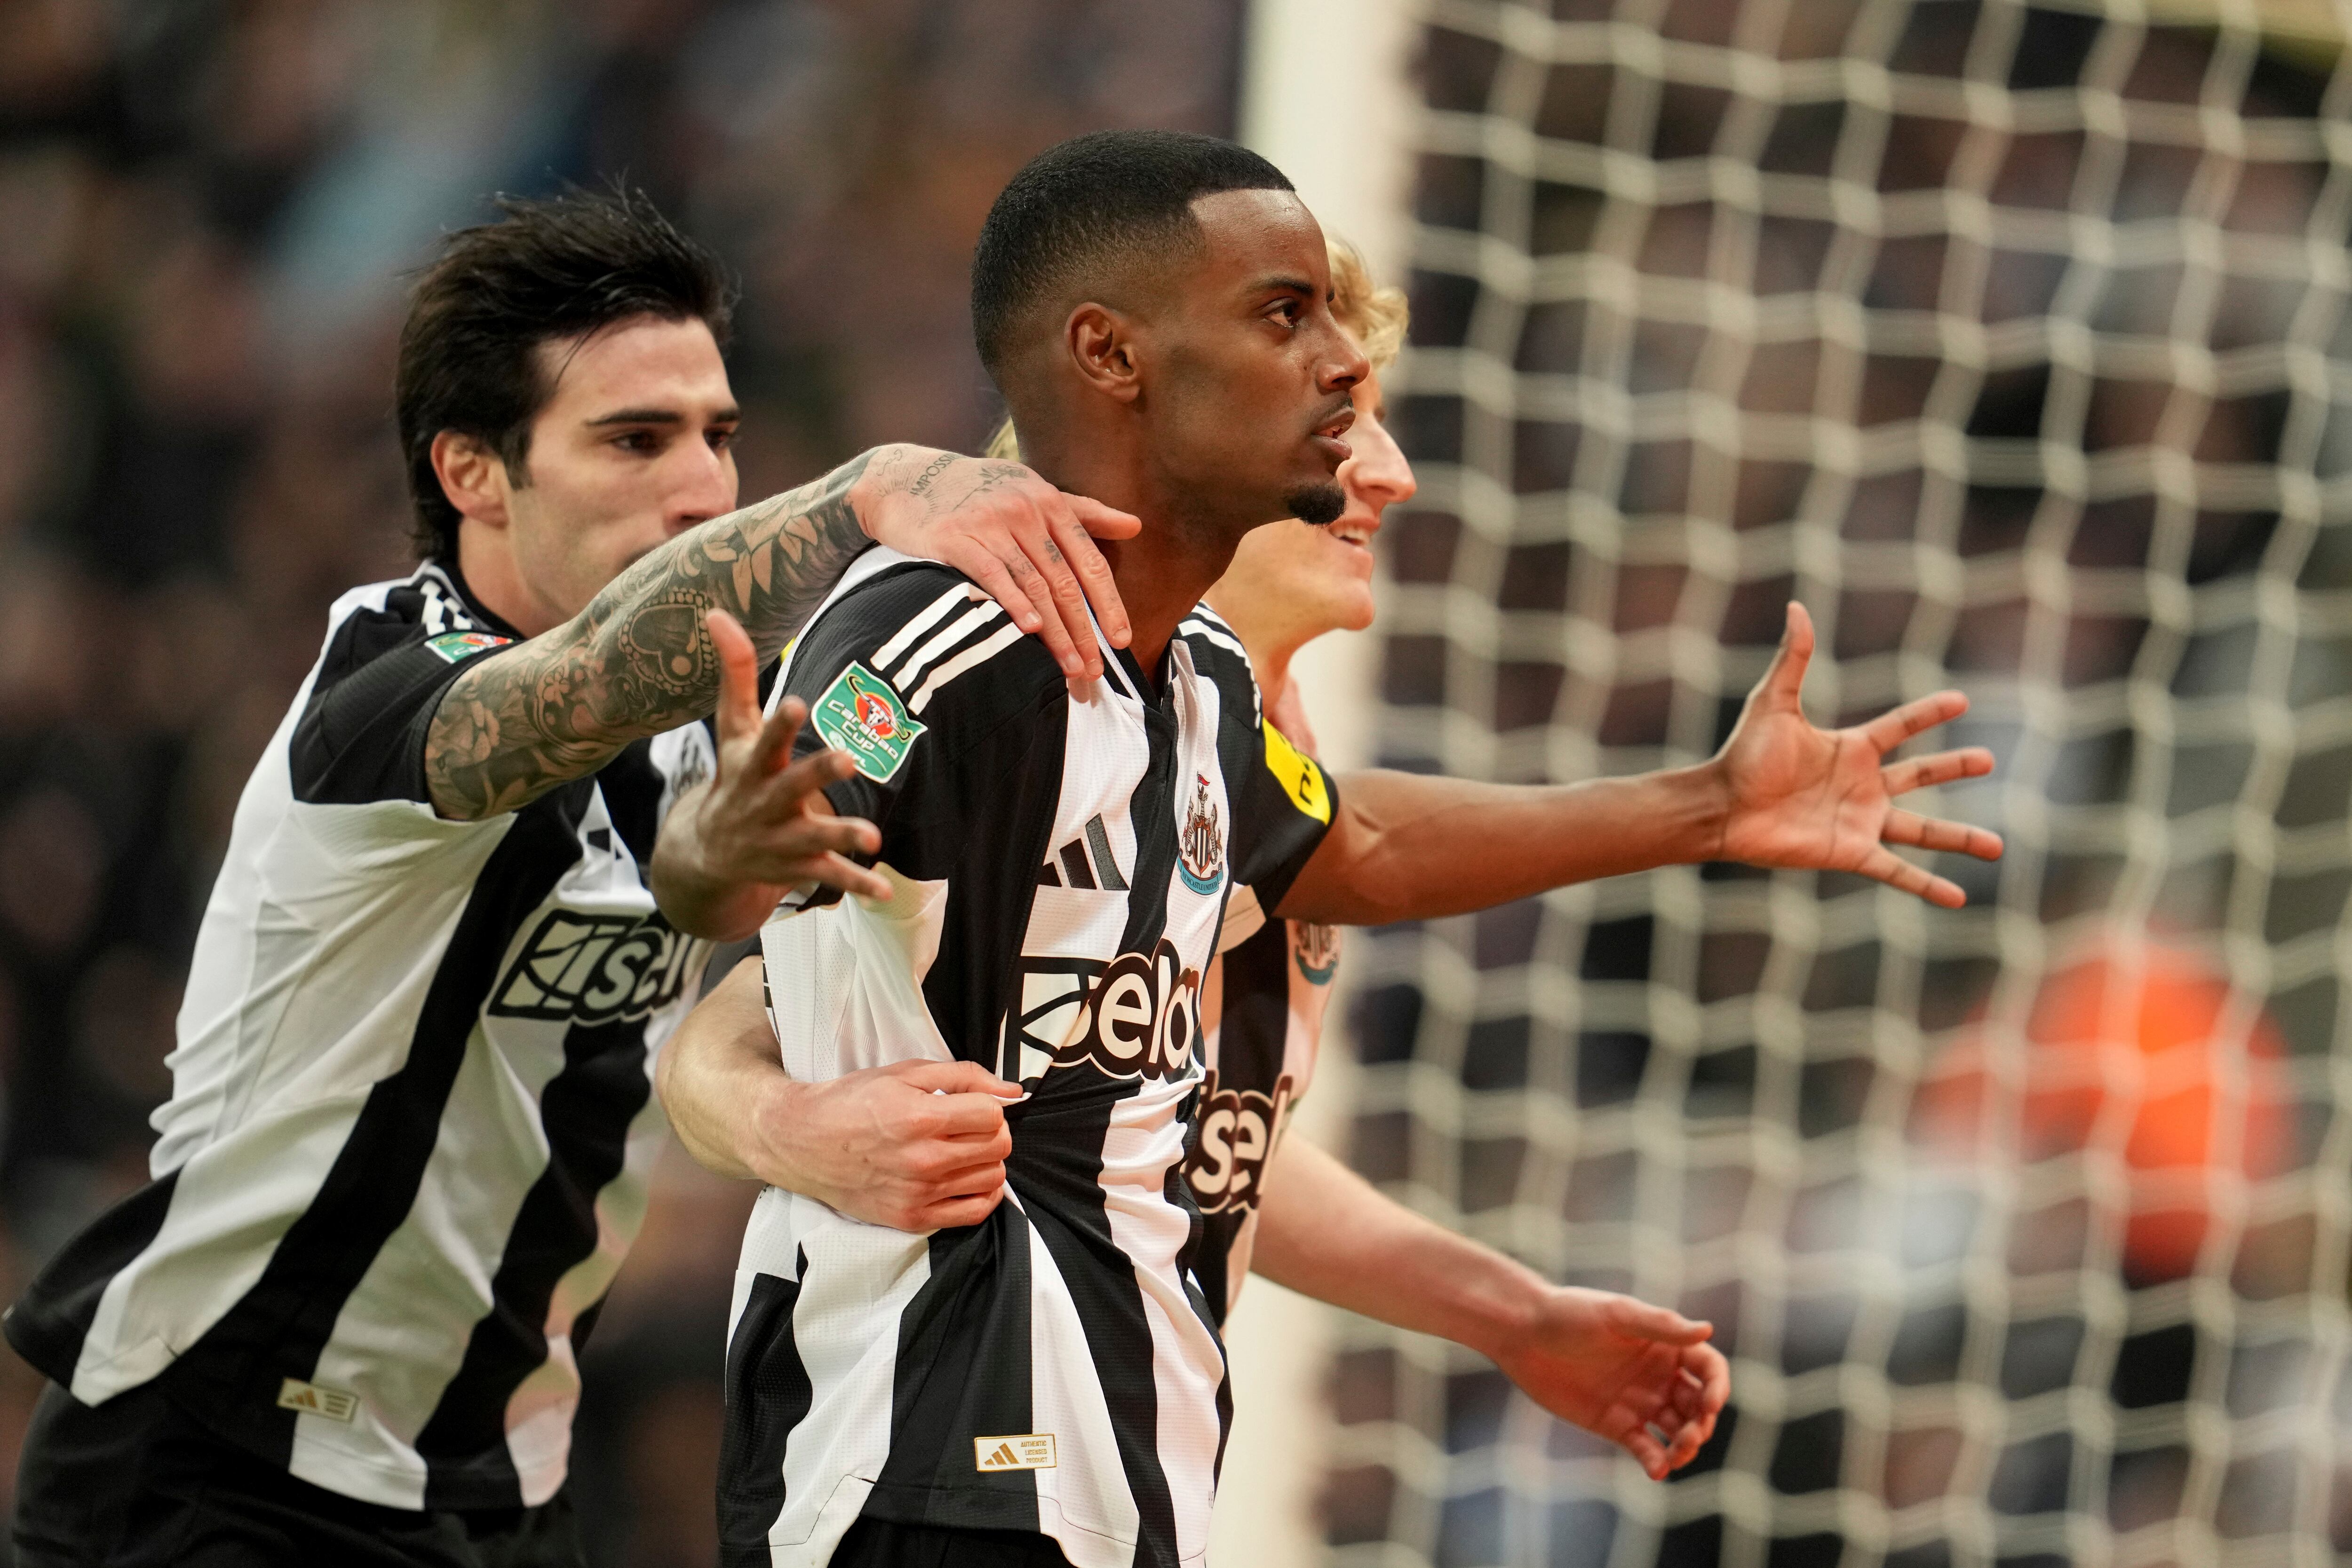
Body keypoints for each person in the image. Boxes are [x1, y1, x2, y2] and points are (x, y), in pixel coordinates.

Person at [651, 130, 2002, 1568]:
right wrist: (732, 903)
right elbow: (754, 947)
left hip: (1120, 1452)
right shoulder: (967, 634)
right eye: (1291, 331)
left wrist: (1709, 815)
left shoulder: (1207, 705)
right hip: (939, 1448)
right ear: (1118, 363)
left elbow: (1325, 906)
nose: (1384, 460)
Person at [4, 187, 1137, 1568]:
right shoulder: (383, 702)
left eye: (719, 436)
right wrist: (863, 495)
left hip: (499, 1481)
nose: (702, 486)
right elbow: (591, 679)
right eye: (634, 439)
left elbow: (699, 877)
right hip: (219, 1469)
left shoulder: (730, 723)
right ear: (475, 472)